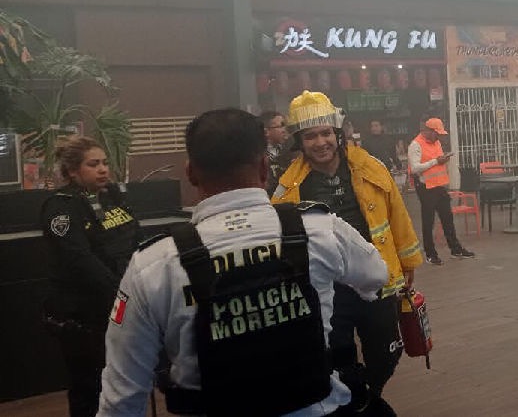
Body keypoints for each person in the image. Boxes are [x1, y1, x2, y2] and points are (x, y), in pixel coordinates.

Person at [98, 108, 389, 416]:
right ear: (264, 167)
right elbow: (376, 277)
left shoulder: (153, 265)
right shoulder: (320, 230)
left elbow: (122, 398)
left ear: (191, 172)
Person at [272, 91, 423, 416]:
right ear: (299, 141)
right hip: (327, 290)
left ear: (338, 133)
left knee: (387, 353)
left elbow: (398, 215)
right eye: (311, 136)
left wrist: (408, 262)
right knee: (335, 356)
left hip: (377, 281)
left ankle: (368, 394)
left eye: (326, 133)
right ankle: (358, 402)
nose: (321, 142)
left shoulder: (372, 167)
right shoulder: (287, 186)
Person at [40, 137, 143, 417]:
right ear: (73, 171)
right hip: (83, 314)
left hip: (121, 305)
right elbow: (80, 260)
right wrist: (123, 292)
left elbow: (134, 238)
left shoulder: (113, 197)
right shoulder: (61, 207)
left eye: (105, 163)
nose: (103, 170)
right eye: (93, 164)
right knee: (89, 387)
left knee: (124, 382)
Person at [407, 117, 475, 265]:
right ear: (428, 131)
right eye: (436, 133)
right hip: (425, 188)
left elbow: (437, 161)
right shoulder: (415, 145)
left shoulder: (436, 142)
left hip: (439, 186)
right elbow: (415, 168)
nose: (438, 137)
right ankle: (430, 254)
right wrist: (436, 161)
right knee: (428, 221)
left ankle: (455, 249)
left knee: (447, 218)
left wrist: (443, 160)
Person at [261, 110, 291, 193]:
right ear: (266, 131)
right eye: (281, 126)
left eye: (284, 126)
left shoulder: (288, 151)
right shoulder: (258, 155)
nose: (284, 130)